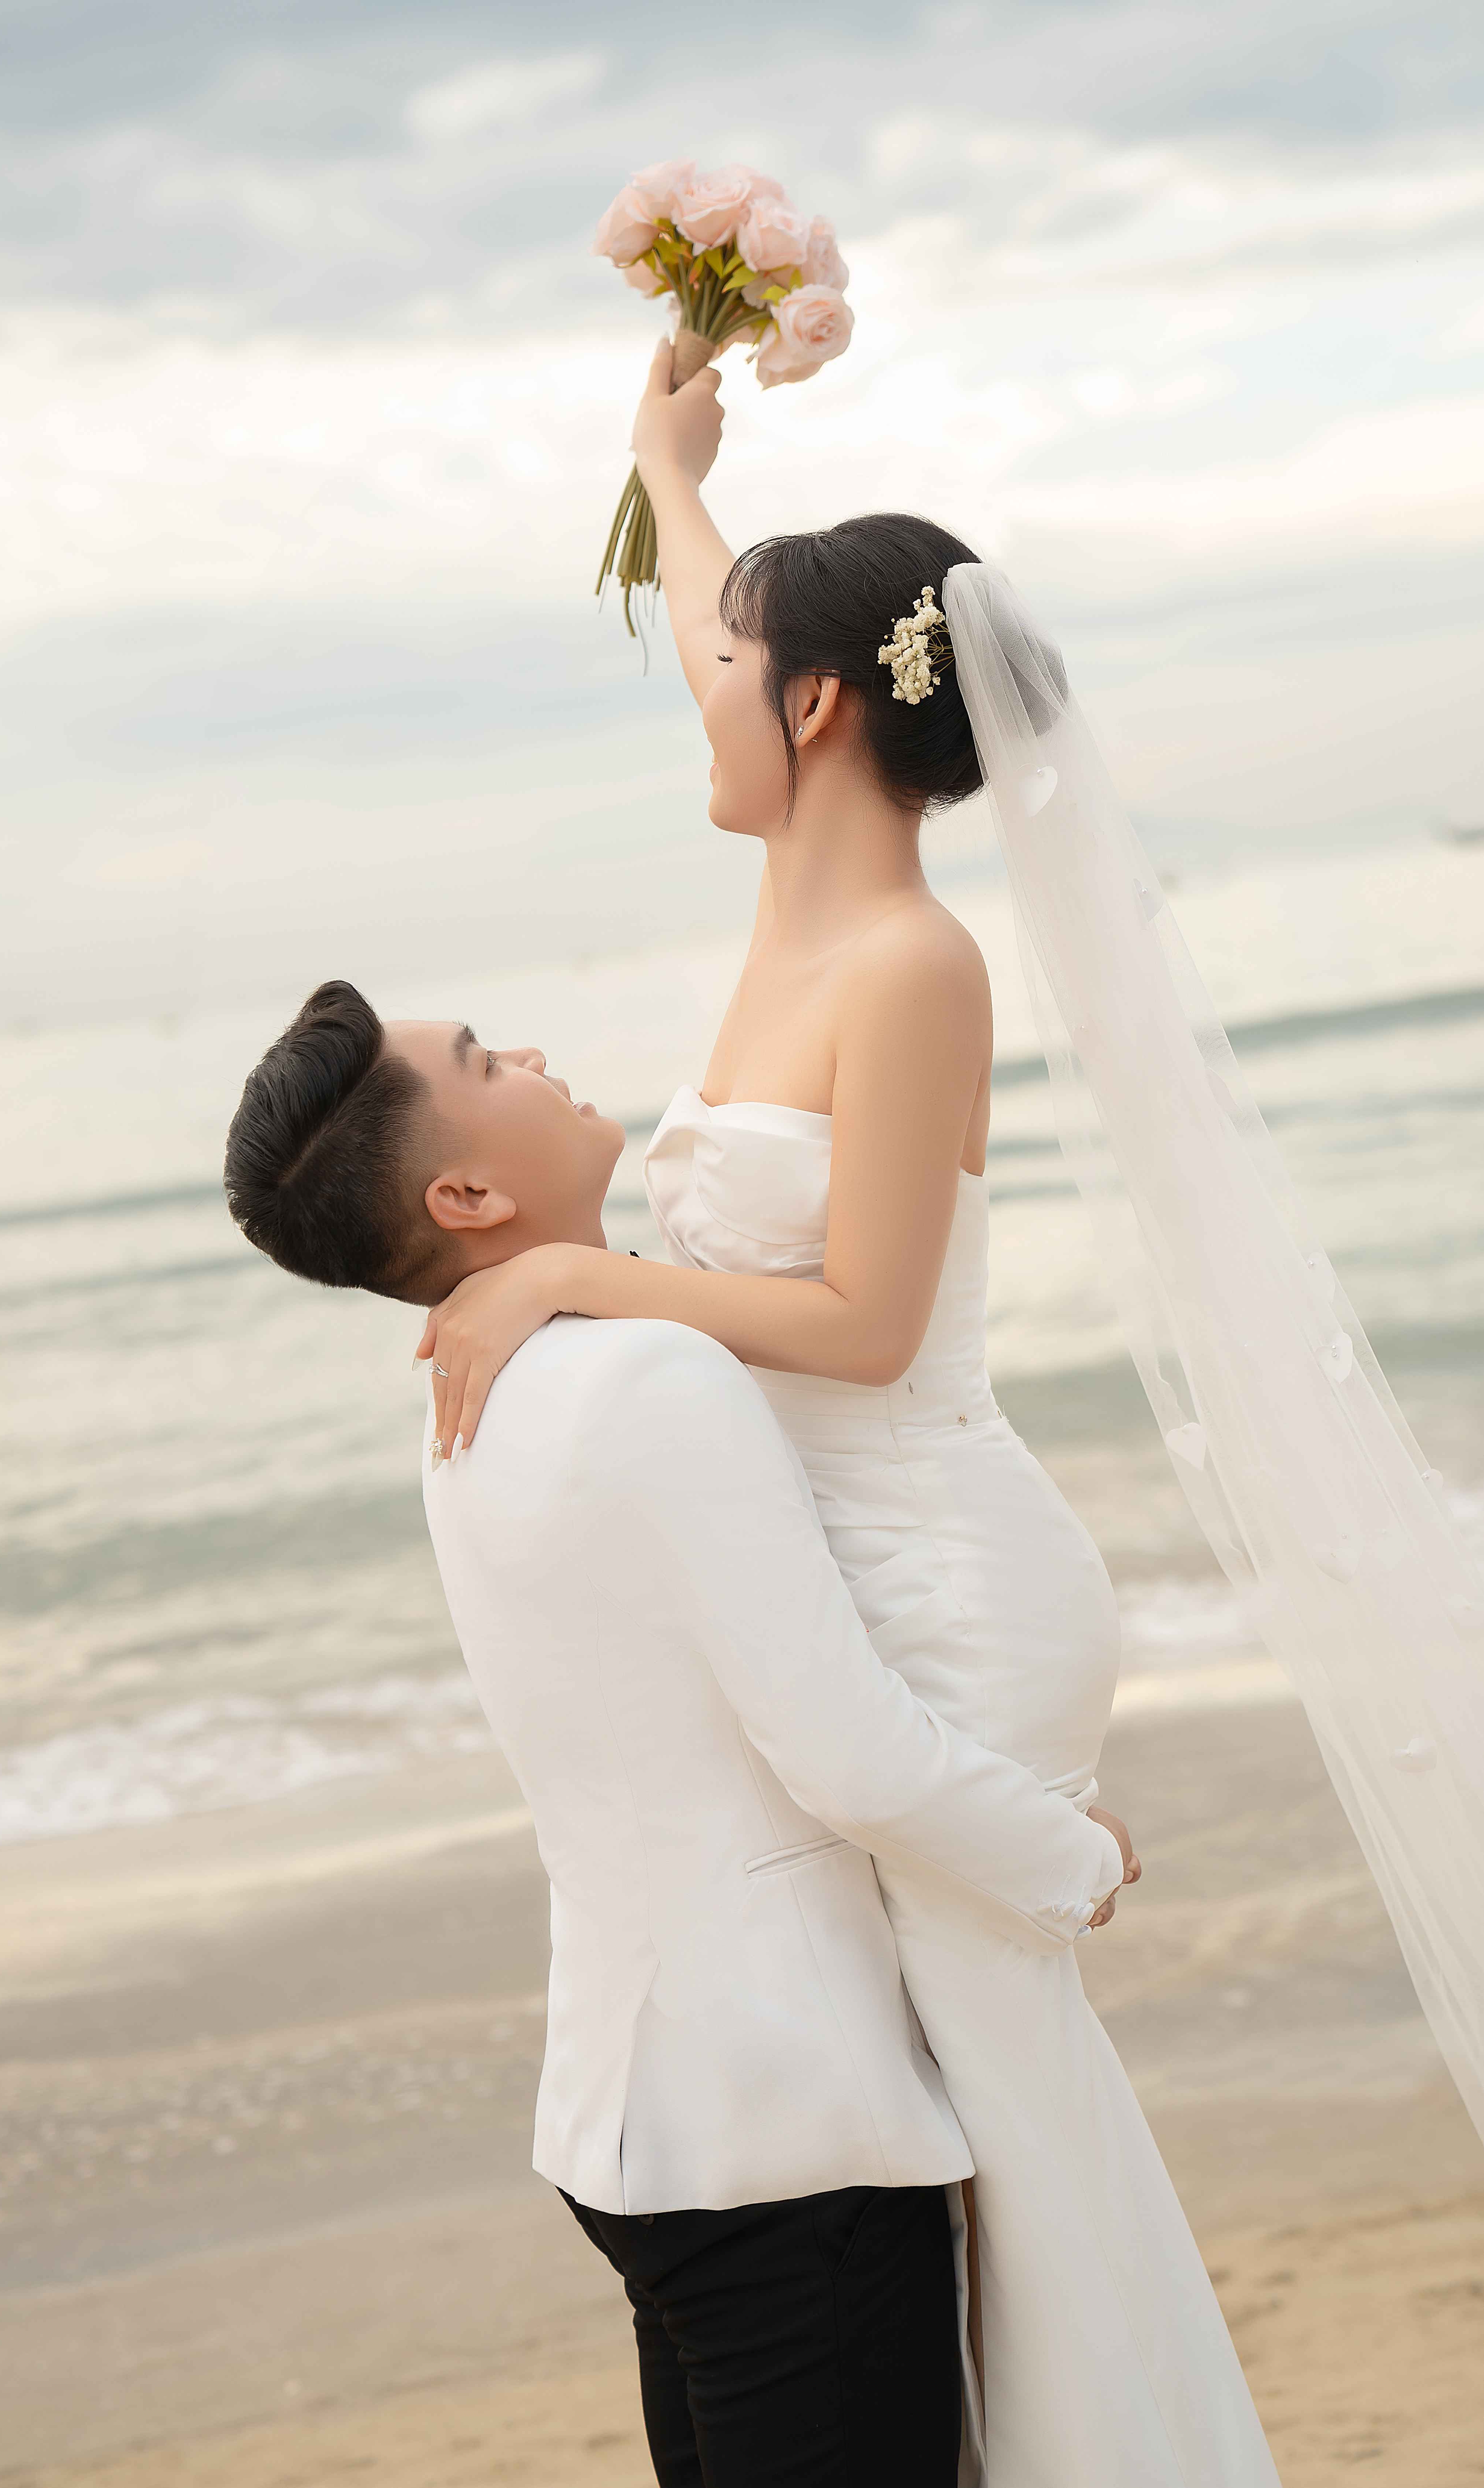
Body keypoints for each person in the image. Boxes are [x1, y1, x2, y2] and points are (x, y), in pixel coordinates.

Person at [412, 345, 1282, 2484]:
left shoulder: (906, 962)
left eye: (724, 666)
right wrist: (663, 464)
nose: (696, 686)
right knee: (916, 2130)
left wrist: (561, 1271)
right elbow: (742, 625)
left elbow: (872, 1322)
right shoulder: (795, 898)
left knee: (990, 2124)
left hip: (937, 1569)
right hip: (852, 1563)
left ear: (813, 705)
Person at [223, 980, 1137, 2488]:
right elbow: (843, 1749)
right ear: (465, 1191)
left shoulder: (485, 1388)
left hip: (641, 2117)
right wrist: (1069, 1854)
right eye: (479, 1062)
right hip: (782, 2129)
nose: (522, 1050)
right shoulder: (645, 1370)